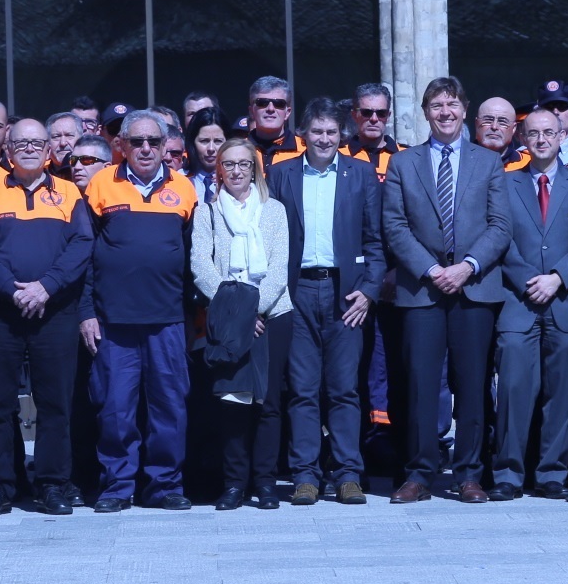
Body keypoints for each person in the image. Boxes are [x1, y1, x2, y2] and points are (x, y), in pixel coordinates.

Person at [382, 76, 511, 504]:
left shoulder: (487, 162)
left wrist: (467, 266)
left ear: (465, 111)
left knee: (472, 384)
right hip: (422, 289)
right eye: (437, 105)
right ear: (425, 112)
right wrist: (432, 269)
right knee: (420, 384)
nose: (445, 112)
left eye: (452, 104)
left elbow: (500, 225)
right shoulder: (403, 163)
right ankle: (419, 473)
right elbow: (395, 226)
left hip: (474, 288)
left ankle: (469, 473)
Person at [0, 118, 92, 517]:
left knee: (55, 404)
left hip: (55, 311)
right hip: (1, 311)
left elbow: (82, 244)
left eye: (38, 143)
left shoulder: (69, 193)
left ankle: (52, 484)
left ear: (50, 150)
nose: (30, 149)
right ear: (8, 151)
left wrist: (46, 287)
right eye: (21, 143)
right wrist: (13, 289)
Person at [81, 110, 199, 511]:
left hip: (168, 319)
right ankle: (117, 487)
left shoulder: (184, 188)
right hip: (113, 320)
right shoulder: (101, 184)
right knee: (115, 408)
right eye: (137, 142)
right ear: (121, 145)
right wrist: (86, 312)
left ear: (166, 146)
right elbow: (84, 257)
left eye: (154, 142)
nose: (145, 148)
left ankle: (164, 486)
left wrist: (192, 318)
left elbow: (193, 258)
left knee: (170, 406)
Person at [268, 98, 382, 506]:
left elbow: (375, 239)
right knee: (302, 388)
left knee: (344, 388)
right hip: (297, 290)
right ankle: (305, 475)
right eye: (317, 131)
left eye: (331, 131)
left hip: (345, 293)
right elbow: (270, 236)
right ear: (303, 134)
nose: (324, 138)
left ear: (342, 135)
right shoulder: (280, 173)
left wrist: (369, 290)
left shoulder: (360, 173)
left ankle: (348, 474)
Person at [190, 138, 291, 510]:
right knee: (233, 400)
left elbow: (279, 267)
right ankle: (234, 484)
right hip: (229, 318)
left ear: (255, 170)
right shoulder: (207, 212)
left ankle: (265, 483)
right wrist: (238, 315)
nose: (236, 171)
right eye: (228, 164)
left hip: (273, 314)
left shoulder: (274, 210)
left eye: (243, 164)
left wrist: (254, 311)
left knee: (268, 402)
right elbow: (201, 265)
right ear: (219, 170)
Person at [491, 108, 568, 500]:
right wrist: (529, 279)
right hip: (519, 301)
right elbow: (498, 237)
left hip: (564, 299)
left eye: (549, 132)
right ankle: (508, 474)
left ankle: (551, 473)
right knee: (513, 390)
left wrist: (559, 276)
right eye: (533, 133)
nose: (541, 140)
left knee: (561, 393)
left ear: (562, 136)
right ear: (522, 138)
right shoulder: (504, 183)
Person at [344, 82, 402, 180]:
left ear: (388, 116)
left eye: (381, 113)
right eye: (366, 112)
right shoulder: (339, 155)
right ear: (354, 115)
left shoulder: (406, 155)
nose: (374, 119)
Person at [247, 77, 303, 167]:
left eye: (279, 104)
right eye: (262, 103)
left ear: (287, 113)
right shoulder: (237, 150)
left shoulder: (306, 150)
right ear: (251, 111)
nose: (270, 109)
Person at [184, 108, 227, 205]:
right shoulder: (179, 180)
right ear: (192, 143)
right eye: (204, 141)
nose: (211, 148)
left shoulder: (236, 180)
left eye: (218, 141)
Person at [473, 97, 520, 162]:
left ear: (514, 128)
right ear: (476, 123)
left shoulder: (527, 164)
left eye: (502, 122)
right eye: (488, 120)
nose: (494, 127)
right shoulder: (461, 159)